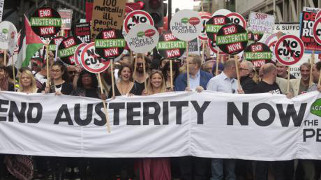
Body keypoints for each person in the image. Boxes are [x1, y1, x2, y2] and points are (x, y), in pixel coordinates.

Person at [253, 63, 294, 180]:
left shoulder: (275, 84)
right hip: (264, 134)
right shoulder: (259, 88)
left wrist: (287, 97)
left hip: (277, 132)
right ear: (274, 72)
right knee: (262, 165)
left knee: (278, 165)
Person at [175, 55, 212, 180]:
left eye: (188, 62)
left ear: (196, 65)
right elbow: (177, 97)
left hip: (203, 122)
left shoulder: (208, 77)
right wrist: (182, 94)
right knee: (185, 151)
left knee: (200, 152)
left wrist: (205, 91)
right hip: (186, 121)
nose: (185, 64)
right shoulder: (181, 78)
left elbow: (214, 96)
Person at [207, 59, 243, 180]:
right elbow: (208, 102)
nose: (241, 71)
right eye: (239, 68)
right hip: (218, 125)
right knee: (217, 156)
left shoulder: (237, 83)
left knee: (231, 154)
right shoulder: (214, 81)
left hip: (233, 125)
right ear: (233, 68)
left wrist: (243, 96)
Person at [137, 70, 171, 180]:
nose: (157, 80)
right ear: (150, 80)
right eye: (154, 78)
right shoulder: (144, 92)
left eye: (159, 78)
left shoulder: (169, 92)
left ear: (162, 80)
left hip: (163, 131)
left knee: (161, 156)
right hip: (147, 131)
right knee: (148, 155)